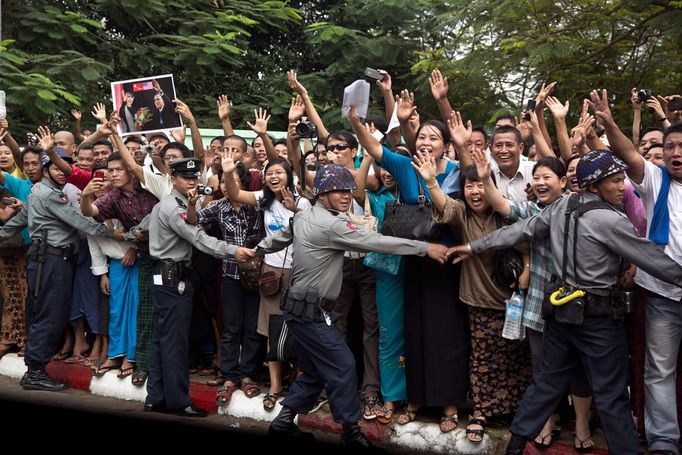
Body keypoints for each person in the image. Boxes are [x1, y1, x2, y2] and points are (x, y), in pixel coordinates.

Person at [447, 150, 682, 455]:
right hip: (598, 320)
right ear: (594, 185)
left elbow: (518, 230)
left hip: (559, 313)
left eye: (622, 178)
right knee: (611, 396)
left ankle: (515, 445)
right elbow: (653, 260)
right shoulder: (611, 220)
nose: (622, 185)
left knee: (546, 384)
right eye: (615, 180)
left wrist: (472, 246)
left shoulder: (559, 208)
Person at [256, 164, 450, 448]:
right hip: (310, 313)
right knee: (344, 365)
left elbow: (283, 235)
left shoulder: (306, 214)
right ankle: (351, 432)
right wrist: (425, 248)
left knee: (314, 371)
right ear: (322, 193)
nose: (346, 195)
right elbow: (376, 241)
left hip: (303, 309)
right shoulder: (332, 224)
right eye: (337, 190)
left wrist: (259, 248)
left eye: (348, 189)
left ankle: (283, 423)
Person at [143, 157, 254, 417]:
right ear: (173, 180)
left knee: (162, 341)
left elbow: (146, 227)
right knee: (175, 344)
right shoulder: (173, 207)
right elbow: (200, 240)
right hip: (172, 281)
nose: (192, 182)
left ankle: (156, 398)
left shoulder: (174, 204)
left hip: (165, 278)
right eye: (186, 178)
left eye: (194, 178)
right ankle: (178, 402)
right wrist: (233, 250)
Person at [0, 151, 118, 391]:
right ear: (46, 171)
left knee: (42, 312)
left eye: (64, 169)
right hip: (52, 260)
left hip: (46, 259)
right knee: (50, 314)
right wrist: (112, 233)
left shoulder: (39, 194)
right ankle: (35, 372)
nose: (63, 174)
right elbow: (80, 221)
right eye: (56, 169)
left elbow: (18, 221)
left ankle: (34, 369)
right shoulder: (52, 196)